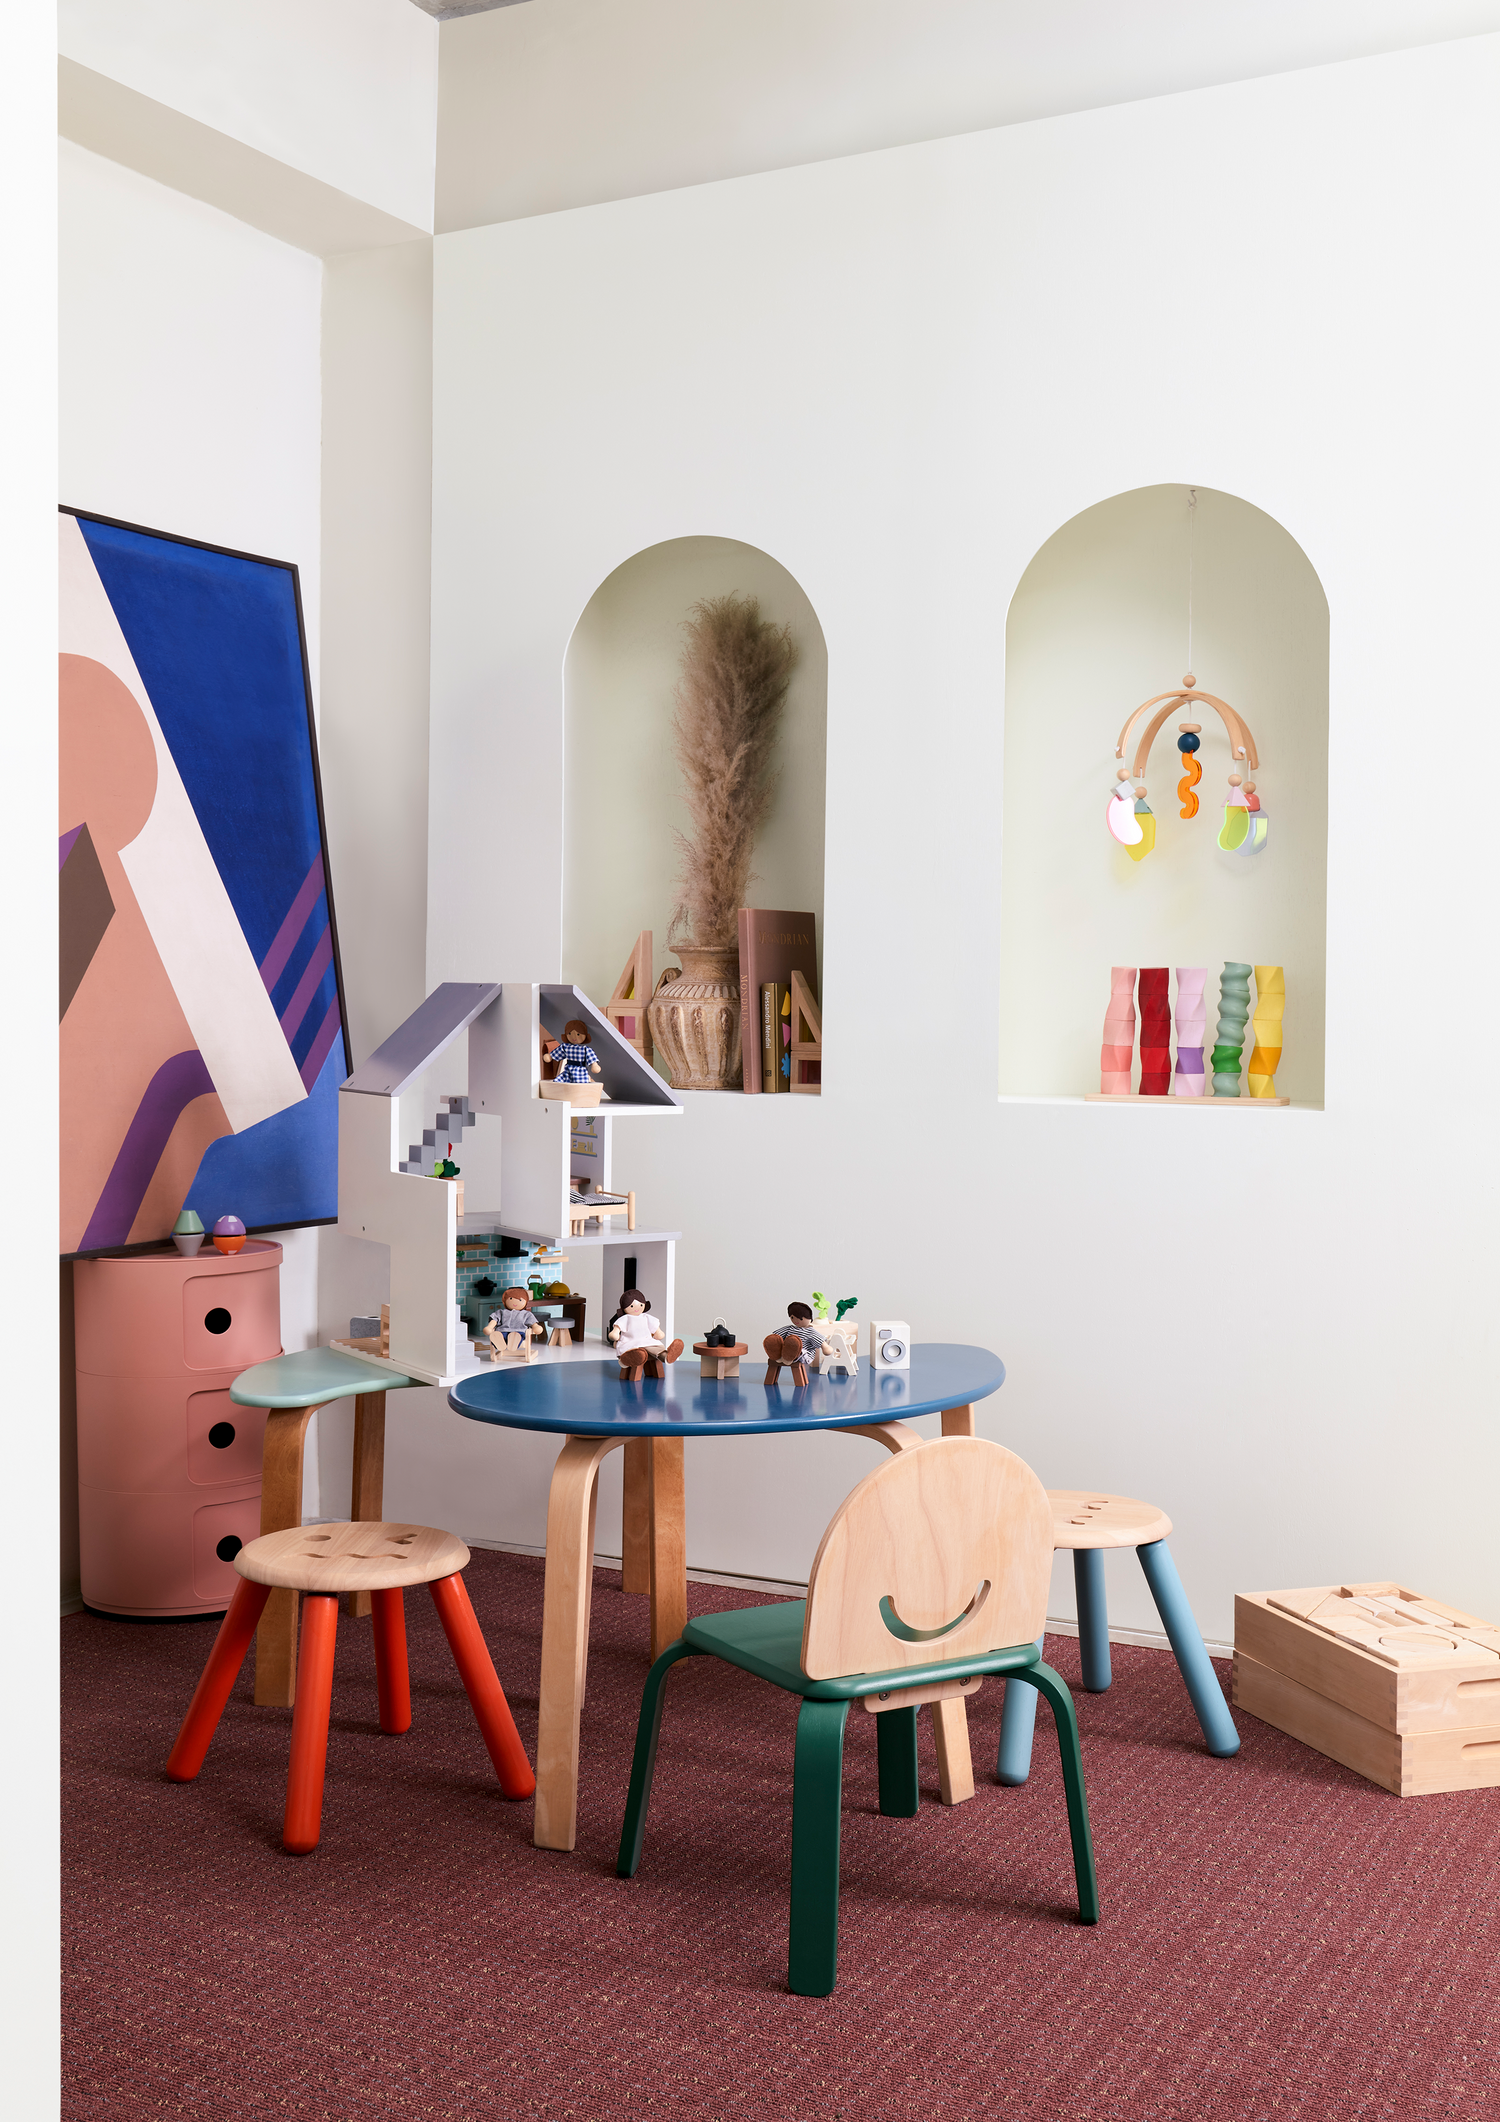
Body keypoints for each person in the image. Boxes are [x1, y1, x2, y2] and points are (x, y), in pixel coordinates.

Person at [608, 1287, 684, 1377]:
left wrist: (658, 1333)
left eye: (640, 1305)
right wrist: (615, 1334)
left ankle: (667, 1357)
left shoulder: (646, 1317)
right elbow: (616, 1331)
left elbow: (656, 1328)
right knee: (633, 1351)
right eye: (631, 1306)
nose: (637, 1308)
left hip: (647, 1341)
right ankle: (627, 1360)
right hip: (630, 1342)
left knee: (655, 1348)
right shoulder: (625, 1318)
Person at [763, 1301, 828, 1385]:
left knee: (794, 1342)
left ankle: (791, 1351)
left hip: (804, 1354)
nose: (796, 1321)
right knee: (776, 1340)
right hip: (784, 1352)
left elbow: (822, 1343)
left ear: (809, 1318)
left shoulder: (811, 1331)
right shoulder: (789, 1328)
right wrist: (773, 1341)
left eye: (800, 1318)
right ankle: (778, 1355)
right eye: (793, 1317)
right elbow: (775, 1336)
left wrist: (826, 1348)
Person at [486, 1286, 541, 1356]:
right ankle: (500, 1343)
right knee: (498, 1335)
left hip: (519, 1331)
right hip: (502, 1331)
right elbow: (494, 1319)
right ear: (505, 1301)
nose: (515, 1302)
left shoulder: (526, 1314)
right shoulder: (501, 1312)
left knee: (517, 1336)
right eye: (511, 1299)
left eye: (520, 1300)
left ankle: (513, 1342)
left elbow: (532, 1322)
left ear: (525, 1302)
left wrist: (536, 1327)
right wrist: (489, 1327)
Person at [550, 1019, 603, 1086]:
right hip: (568, 1070)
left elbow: (592, 1059)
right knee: (558, 1081)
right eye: (569, 1033)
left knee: (580, 1084)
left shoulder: (585, 1049)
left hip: (580, 1071)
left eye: (578, 1034)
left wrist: (594, 1065)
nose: (574, 1037)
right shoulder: (566, 1047)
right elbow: (558, 1052)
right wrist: (550, 1056)